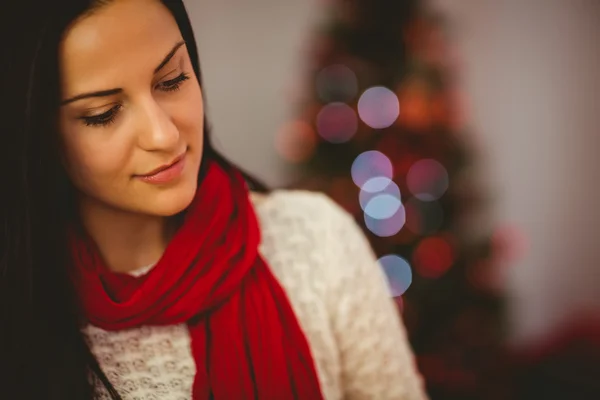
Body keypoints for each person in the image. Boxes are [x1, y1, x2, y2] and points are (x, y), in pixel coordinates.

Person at [0, 0, 428, 399]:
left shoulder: (316, 241)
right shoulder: (23, 309)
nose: (164, 135)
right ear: (34, 132)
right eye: (103, 113)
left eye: (172, 80)